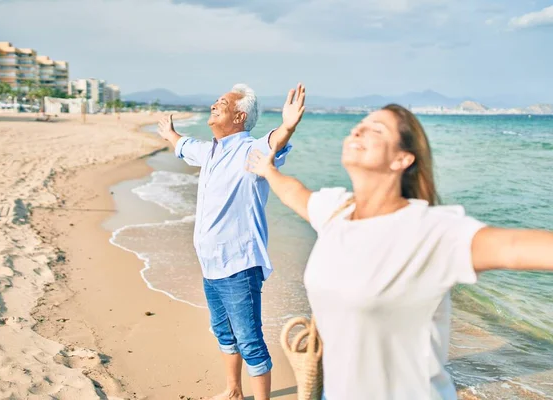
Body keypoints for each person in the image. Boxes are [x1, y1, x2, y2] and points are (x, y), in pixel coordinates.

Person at [245, 103, 553, 399]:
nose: (357, 131)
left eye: (375, 129)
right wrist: (268, 170)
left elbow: (513, 248)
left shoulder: (429, 231)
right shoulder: (336, 211)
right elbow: (295, 193)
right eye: (358, 126)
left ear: (402, 159)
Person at [156, 83, 306, 400]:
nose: (214, 104)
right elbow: (184, 145)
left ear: (239, 116)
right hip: (211, 265)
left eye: (222, 102)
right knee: (224, 333)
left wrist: (288, 126)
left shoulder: (250, 150)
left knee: (250, 339)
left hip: (239, 265)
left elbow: (274, 142)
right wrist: (170, 134)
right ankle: (233, 391)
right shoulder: (210, 150)